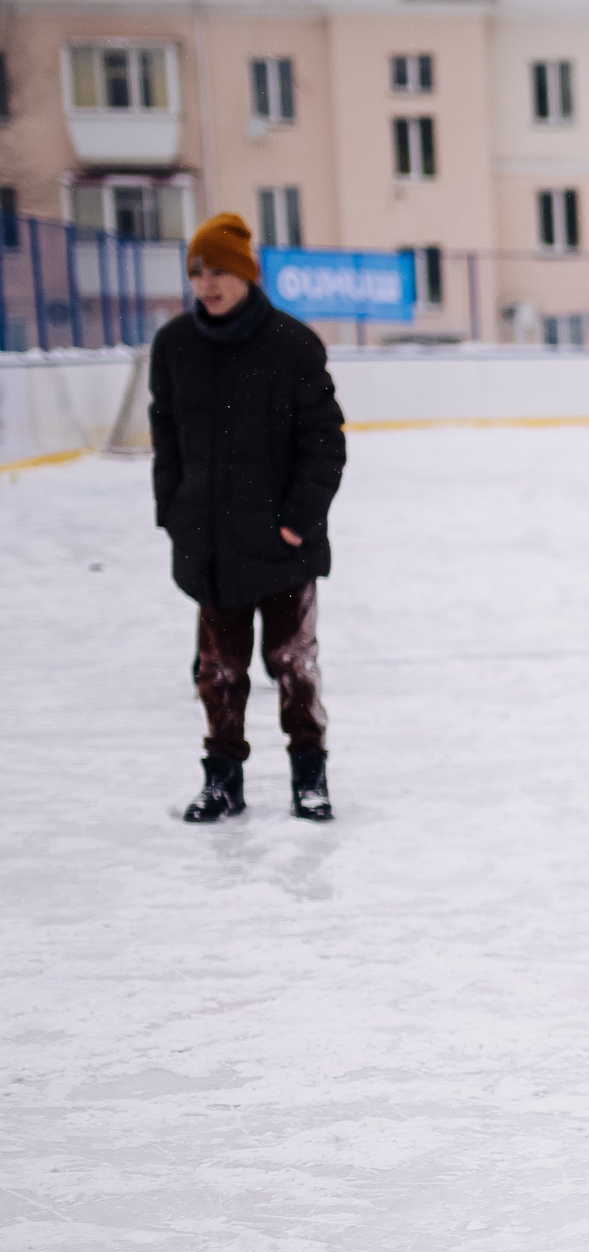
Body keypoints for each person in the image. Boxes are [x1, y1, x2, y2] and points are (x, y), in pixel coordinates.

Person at [151, 212, 347, 823]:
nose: (207, 283)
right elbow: (167, 436)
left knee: (292, 664)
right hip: (209, 540)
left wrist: (297, 521)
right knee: (219, 671)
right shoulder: (175, 345)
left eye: (219, 271)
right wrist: (175, 512)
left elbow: (325, 442)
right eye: (197, 271)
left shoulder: (292, 344)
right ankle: (223, 780)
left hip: (283, 542)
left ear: (246, 274)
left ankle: (308, 776)